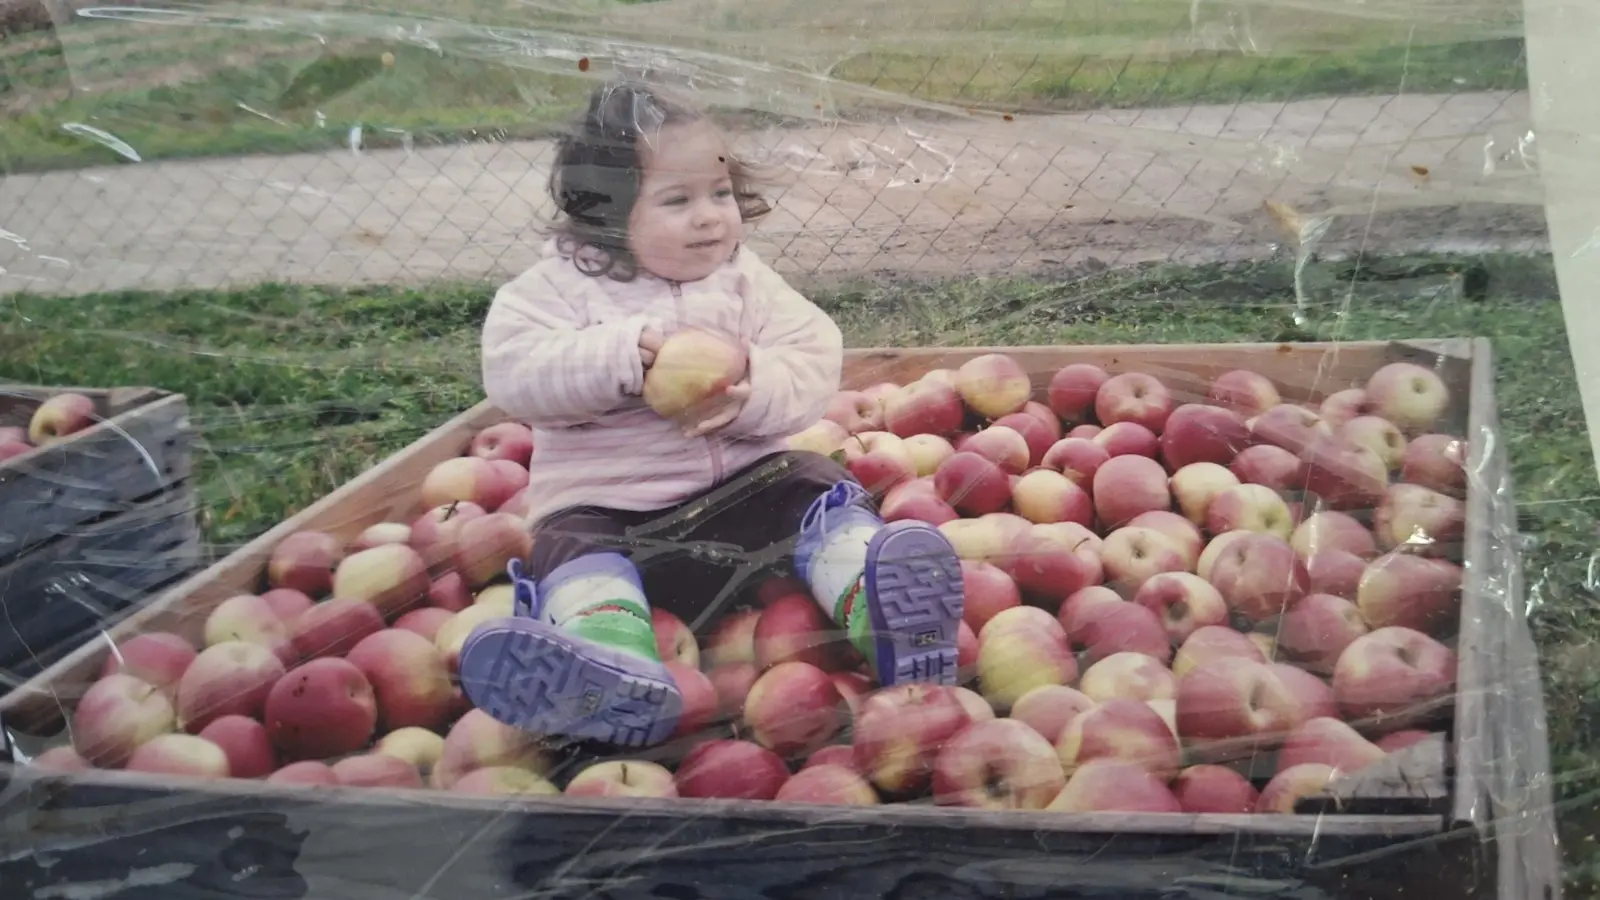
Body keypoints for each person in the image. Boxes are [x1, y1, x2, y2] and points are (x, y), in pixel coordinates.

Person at [457, 80, 964, 750]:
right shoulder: (556, 291)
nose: (710, 218)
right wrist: (619, 357)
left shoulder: (745, 282)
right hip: (617, 519)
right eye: (679, 200)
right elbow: (514, 372)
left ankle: (883, 609)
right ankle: (609, 667)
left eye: (720, 194)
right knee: (568, 545)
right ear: (605, 211)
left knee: (812, 483)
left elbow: (813, 355)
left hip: (747, 514)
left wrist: (751, 382)